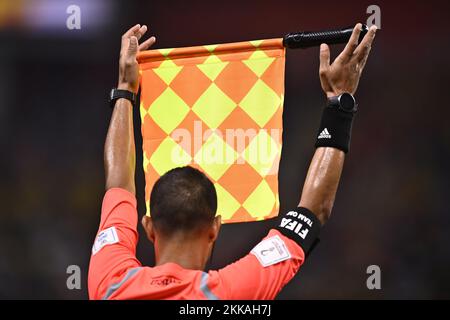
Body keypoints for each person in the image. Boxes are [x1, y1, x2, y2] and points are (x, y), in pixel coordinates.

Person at [88, 23, 377, 300]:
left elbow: (118, 181)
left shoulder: (109, 284)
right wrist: (339, 100)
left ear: (149, 227)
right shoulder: (231, 293)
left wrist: (125, 87)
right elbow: (312, 212)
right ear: (215, 228)